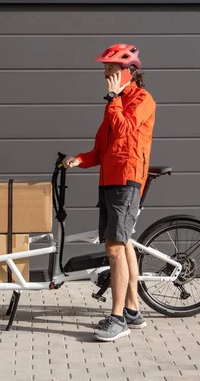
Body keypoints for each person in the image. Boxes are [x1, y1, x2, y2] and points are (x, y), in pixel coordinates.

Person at [63, 43, 156, 342]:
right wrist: (80, 159)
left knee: (115, 249)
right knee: (122, 243)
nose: (105, 73)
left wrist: (114, 99)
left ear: (127, 71)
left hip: (127, 181)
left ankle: (118, 320)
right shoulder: (113, 102)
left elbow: (125, 130)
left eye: (111, 68)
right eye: (105, 68)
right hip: (109, 181)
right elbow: (103, 149)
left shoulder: (142, 99)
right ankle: (132, 310)